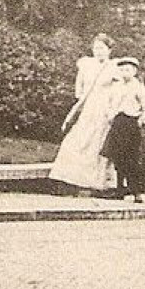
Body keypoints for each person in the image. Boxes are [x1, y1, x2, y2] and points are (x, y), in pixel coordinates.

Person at [49, 35, 120, 191]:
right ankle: (72, 177)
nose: (98, 52)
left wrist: (112, 106)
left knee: (98, 141)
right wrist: (82, 100)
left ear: (109, 50)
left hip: (104, 107)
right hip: (88, 107)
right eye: (96, 48)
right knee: (79, 139)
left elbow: (119, 89)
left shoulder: (114, 67)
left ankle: (98, 181)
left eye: (102, 48)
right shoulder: (86, 65)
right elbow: (79, 89)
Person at [101, 57, 145, 200]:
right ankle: (119, 190)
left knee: (132, 158)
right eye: (122, 69)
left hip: (131, 124)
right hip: (118, 123)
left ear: (134, 71)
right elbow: (109, 103)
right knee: (118, 158)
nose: (124, 72)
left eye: (128, 70)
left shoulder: (138, 87)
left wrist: (142, 118)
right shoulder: (116, 87)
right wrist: (110, 115)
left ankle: (136, 191)